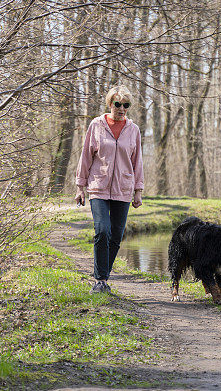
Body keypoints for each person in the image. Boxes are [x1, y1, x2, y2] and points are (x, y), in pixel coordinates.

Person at [75, 85, 144, 293]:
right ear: (110, 104)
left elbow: (137, 161)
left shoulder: (133, 130)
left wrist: (138, 190)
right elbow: (86, 156)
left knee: (116, 236)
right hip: (98, 187)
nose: (121, 108)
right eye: (117, 104)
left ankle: (104, 277)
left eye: (126, 105)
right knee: (102, 231)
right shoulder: (96, 125)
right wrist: (80, 186)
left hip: (123, 189)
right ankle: (100, 279)